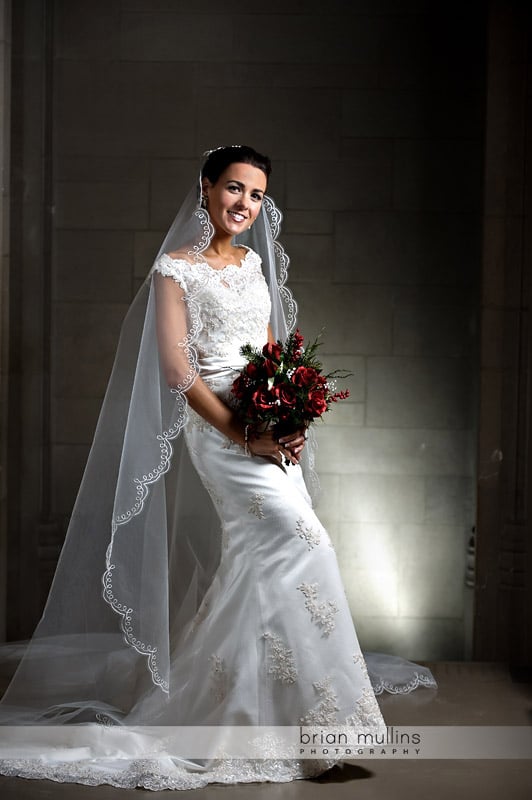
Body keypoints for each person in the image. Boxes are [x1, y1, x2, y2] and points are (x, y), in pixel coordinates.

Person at [0, 146, 436, 790]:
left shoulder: (256, 264)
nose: (245, 205)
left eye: (257, 195)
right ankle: (315, 734)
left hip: (261, 426)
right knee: (302, 542)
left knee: (261, 566)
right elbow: (180, 372)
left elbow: (266, 352)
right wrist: (243, 434)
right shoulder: (175, 269)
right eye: (234, 189)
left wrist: (287, 411)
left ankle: (277, 727)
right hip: (220, 431)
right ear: (205, 189)